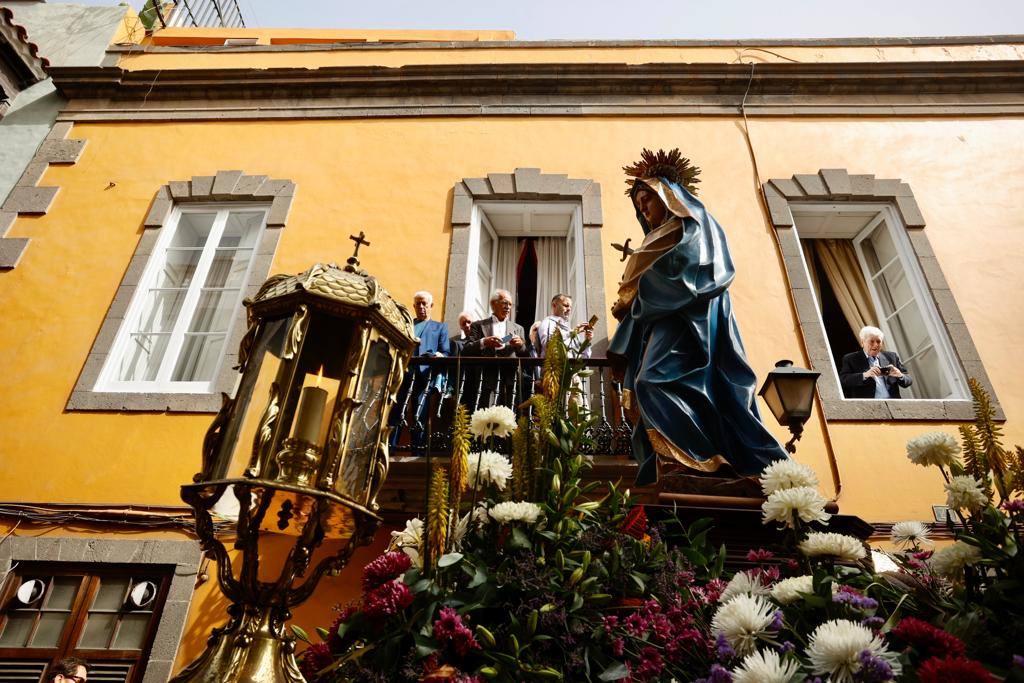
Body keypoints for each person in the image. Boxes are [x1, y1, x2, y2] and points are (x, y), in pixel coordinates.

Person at [608, 148, 787, 486]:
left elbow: (695, 273)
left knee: (652, 381)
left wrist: (636, 297)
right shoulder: (659, 236)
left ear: (668, 194)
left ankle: (697, 458)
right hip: (667, 321)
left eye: (646, 198)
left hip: (692, 322)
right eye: (639, 204)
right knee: (665, 386)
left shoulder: (694, 226)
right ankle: (688, 460)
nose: (643, 208)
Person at [388, 291, 450, 453]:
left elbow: (446, 351)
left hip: (424, 375)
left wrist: (439, 355)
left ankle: (418, 451)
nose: (421, 307)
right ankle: (389, 448)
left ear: (431, 306)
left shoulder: (440, 327)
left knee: (419, 412)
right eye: (418, 304)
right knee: (396, 411)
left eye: (424, 304)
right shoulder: (407, 325)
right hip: (402, 374)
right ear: (414, 306)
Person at [463, 289, 531, 407]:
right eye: (505, 303)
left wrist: (520, 346)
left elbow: (526, 357)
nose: (508, 307)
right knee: (486, 415)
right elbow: (466, 349)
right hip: (486, 378)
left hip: (511, 380)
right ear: (493, 303)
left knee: (509, 417)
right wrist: (484, 342)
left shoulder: (518, 328)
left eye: (510, 304)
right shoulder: (478, 326)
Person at [839, 326, 913, 399]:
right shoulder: (851, 359)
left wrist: (900, 375)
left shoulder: (891, 356)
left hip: (893, 404)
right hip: (869, 406)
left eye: (878, 341)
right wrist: (865, 375)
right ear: (862, 342)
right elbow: (843, 381)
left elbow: (908, 380)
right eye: (871, 341)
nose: (875, 345)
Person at [535, 293, 593, 359]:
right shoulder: (548, 322)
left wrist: (587, 341)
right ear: (554, 305)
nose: (569, 309)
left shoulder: (569, 329)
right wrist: (572, 332)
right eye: (566, 305)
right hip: (555, 368)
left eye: (570, 307)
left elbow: (583, 358)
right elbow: (549, 345)